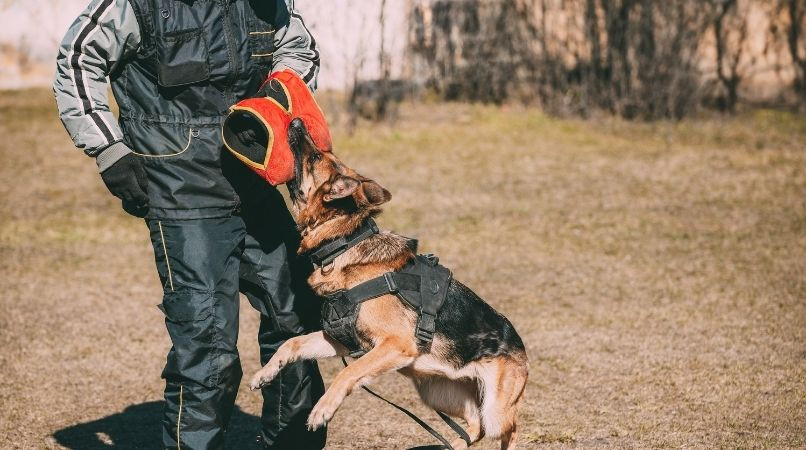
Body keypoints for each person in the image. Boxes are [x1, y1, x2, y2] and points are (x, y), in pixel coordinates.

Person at [53, 1, 326, 449]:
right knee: (208, 349)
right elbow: (78, 60)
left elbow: (298, 49)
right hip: (181, 191)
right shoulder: (134, 5)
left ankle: (293, 443)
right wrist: (109, 149)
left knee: (296, 319)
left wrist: (277, 102)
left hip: (254, 177)